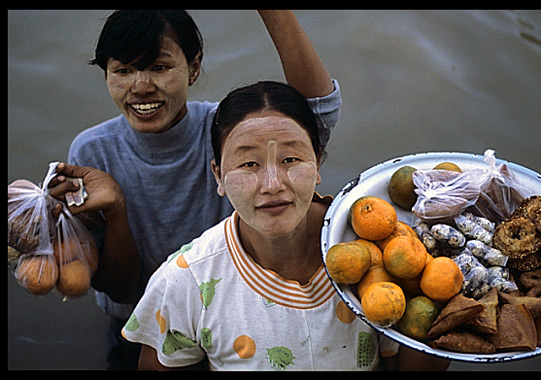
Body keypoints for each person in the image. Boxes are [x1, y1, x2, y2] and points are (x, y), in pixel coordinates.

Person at [48, 10, 341, 369]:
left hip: (236, 313)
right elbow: (120, 292)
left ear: (194, 67)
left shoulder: (228, 134)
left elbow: (313, 115)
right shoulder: (92, 152)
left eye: (159, 67)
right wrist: (116, 210)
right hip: (140, 328)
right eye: (123, 70)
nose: (140, 86)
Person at [122, 81, 450, 370]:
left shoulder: (381, 248)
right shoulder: (187, 281)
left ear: (318, 162)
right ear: (218, 175)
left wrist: (449, 310)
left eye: (290, 160)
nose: (272, 184)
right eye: (249, 163)